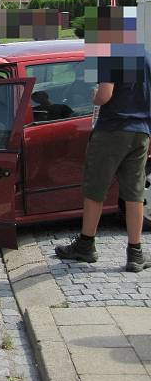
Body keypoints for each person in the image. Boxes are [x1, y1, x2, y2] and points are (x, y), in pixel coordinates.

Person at [55, 57, 151, 272]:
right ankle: (135, 253)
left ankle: (86, 245)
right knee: (134, 193)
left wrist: (94, 96)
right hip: (141, 131)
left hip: (112, 130)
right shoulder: (144, 57)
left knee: (95, 189)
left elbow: (105, 95)